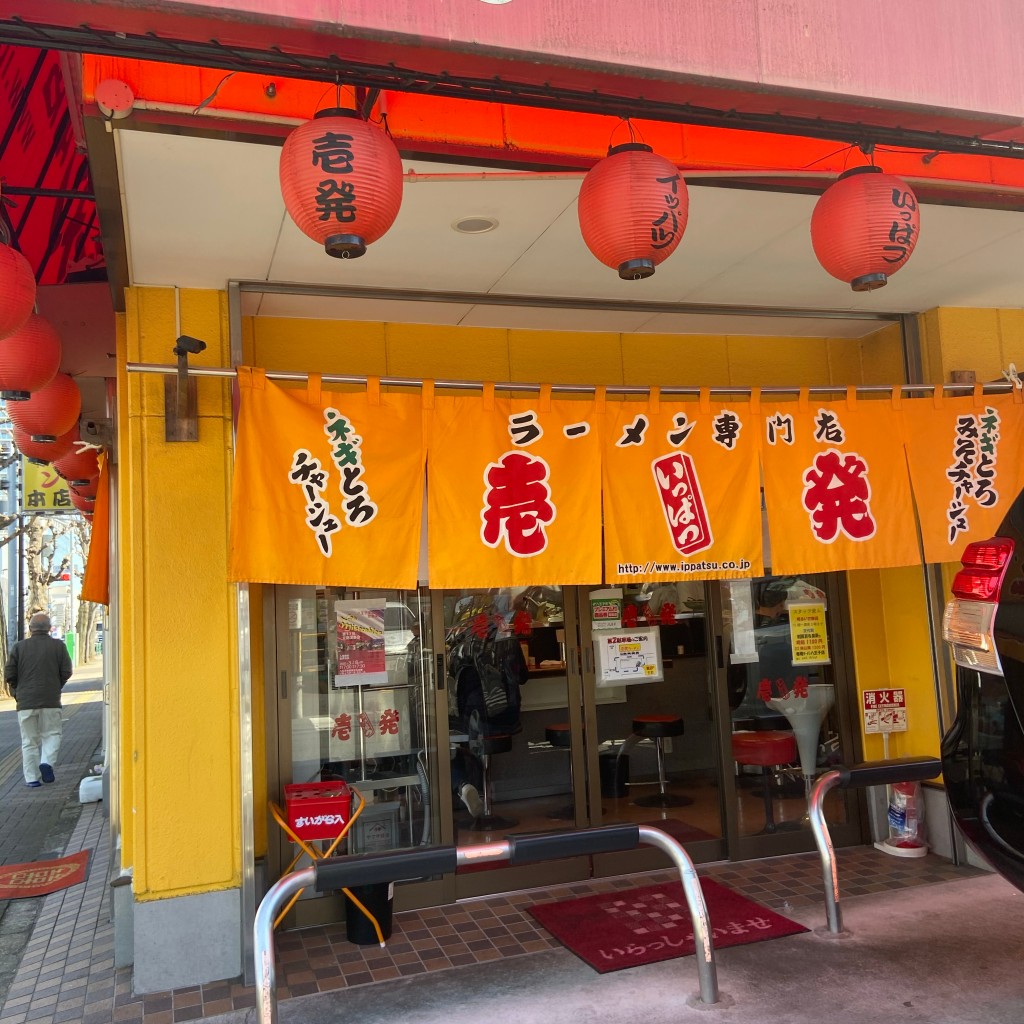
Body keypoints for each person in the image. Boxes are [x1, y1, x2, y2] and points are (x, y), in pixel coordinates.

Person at [6, 613, 73, 788]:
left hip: (26, 702)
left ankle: (32, 779)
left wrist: (18, 691)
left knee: (29, 741)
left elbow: (9, 674)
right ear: (49, 628)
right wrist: (56, 685)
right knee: (52, 734)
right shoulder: (58, 646)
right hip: (51, 700)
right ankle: (47, 763)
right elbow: (67, 671)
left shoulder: (19, 647)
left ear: (30, 629)